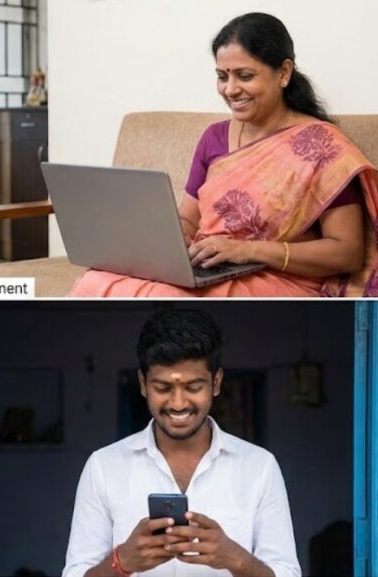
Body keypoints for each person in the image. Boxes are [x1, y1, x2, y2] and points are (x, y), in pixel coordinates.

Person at [69, 12, 378, 297]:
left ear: (284, 73)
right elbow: (188, 219)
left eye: (244, 76)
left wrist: (246, 251)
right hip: (211, 266)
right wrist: (170, 243)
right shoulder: (214, 137)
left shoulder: (322, 148)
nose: (230, 90)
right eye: (222, 76)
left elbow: (346, 253)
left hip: (280, 276)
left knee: (167, 298)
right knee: (96, 279)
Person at [62, 310, 300, 577]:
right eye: (163, 388)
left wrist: (237, 560)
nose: (178, 404)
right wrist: (122, 561)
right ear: (143, 384)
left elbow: (288, 572)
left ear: (216, 382)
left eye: (193, 387)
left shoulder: (259, 466)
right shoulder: (103, 466)